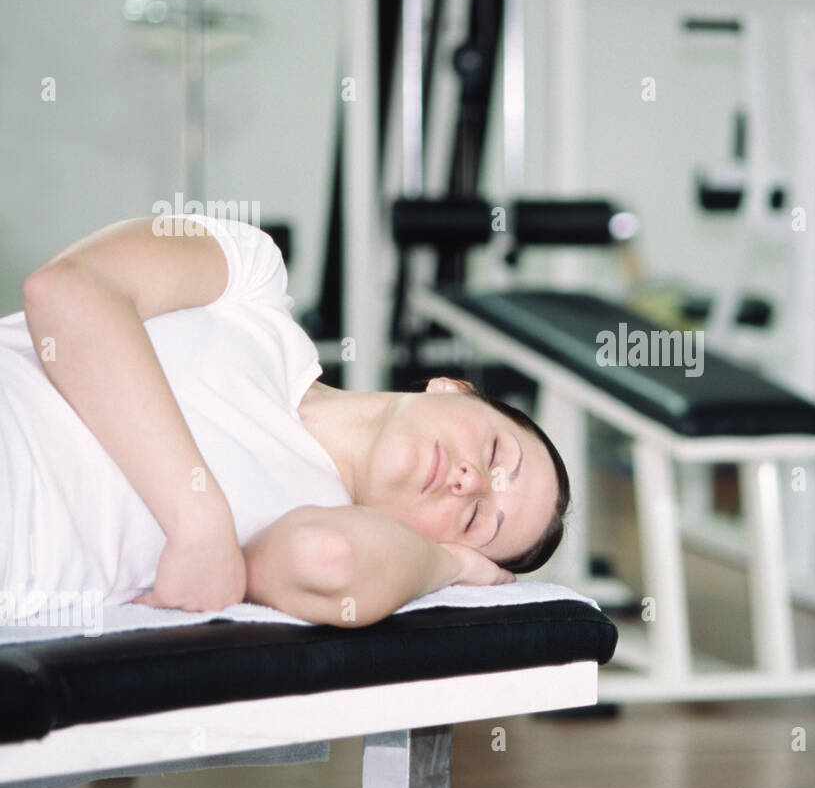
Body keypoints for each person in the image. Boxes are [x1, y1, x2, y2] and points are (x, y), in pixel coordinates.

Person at [0, 213, 570, 628]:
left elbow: (328, 559)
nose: (470, 481)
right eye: (496, 454)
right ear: (454, 388)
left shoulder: (319, 528)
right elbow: (67, 290)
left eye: (475, 521)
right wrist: (199, 522)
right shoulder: (252, 278)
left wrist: (452, 567)